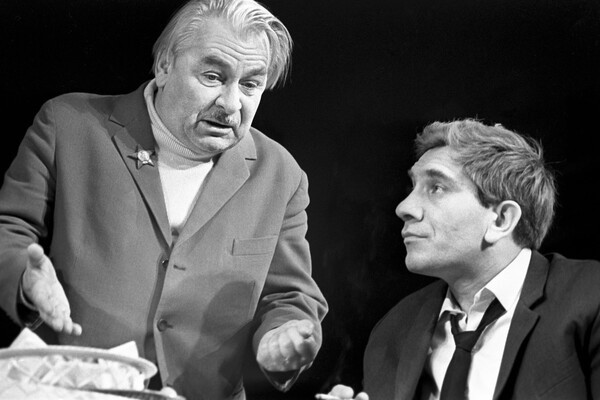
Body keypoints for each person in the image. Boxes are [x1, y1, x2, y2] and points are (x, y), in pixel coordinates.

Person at [0, 0, 328, 398]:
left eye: (250, 85)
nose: (230, 104)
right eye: (212, 76)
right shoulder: (68, 124)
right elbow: (9, 229)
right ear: (165, 66)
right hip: (72, 390)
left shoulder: (281, 174)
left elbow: (288, 297)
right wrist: (23, 276)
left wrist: (283, 335)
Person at [323, 119, 600, 400]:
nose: (404, 207)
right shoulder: (391, 332)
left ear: (501, 219)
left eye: (436, 187)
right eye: (412, 187)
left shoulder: (592, 297)